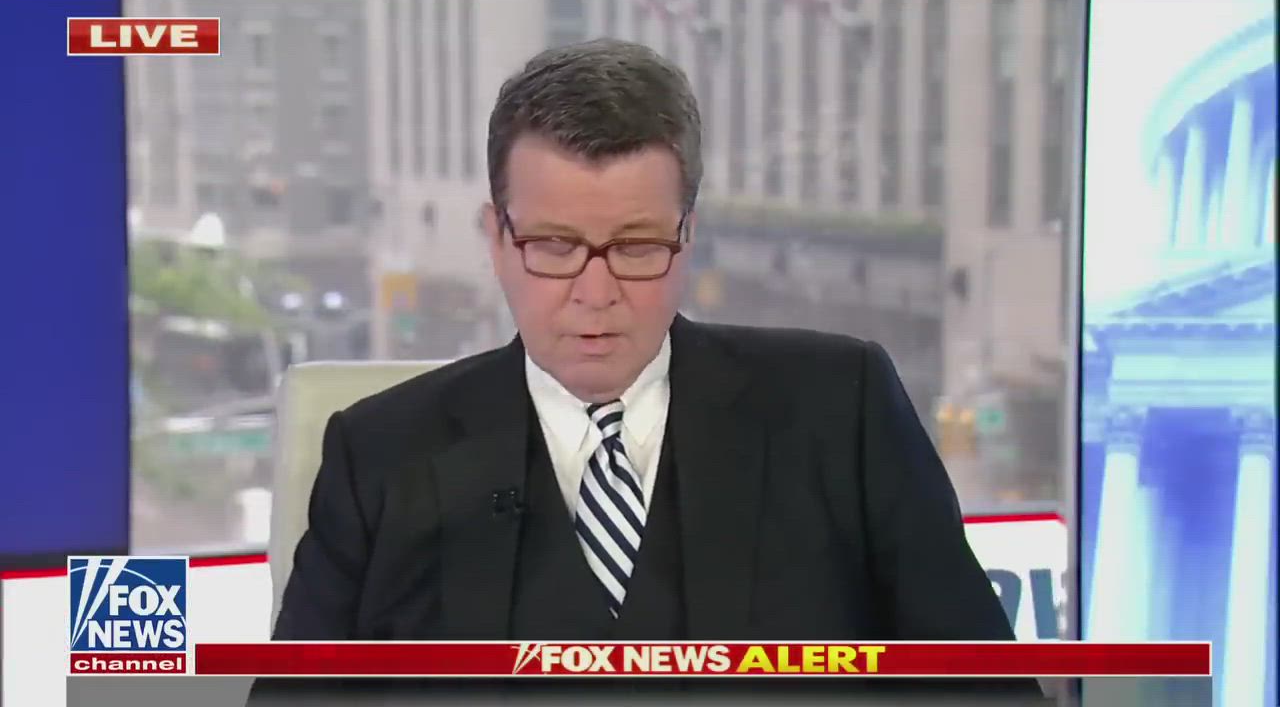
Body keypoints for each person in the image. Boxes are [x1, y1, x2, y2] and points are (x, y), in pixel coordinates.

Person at [250, 39, 1042, 705]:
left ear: (687, 236)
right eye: (554, 246)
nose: (596, 293)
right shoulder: (380, 457)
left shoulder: (844, 410)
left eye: (636, 247)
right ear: (496, 238)